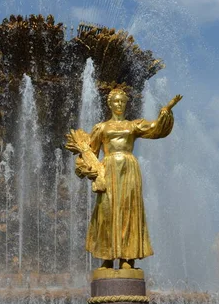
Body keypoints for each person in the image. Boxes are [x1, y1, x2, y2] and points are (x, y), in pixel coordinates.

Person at [77, 88, 181, 270]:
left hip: (129, 168)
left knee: (129, 211)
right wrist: (87, 170)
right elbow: (88, 152)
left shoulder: (133, 125)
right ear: (109, 104)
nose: (119, 105)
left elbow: (156, 129)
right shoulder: (101, 128)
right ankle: (107, 257)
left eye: (122, 102)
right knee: (106, 212)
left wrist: (166, 110)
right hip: (108, 169)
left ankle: (128, 258)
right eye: (116, 101)